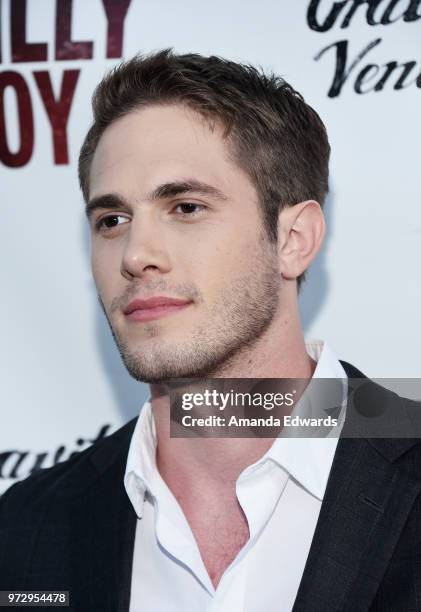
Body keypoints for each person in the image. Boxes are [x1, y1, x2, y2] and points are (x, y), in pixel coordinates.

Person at [1, 49, 420, 612]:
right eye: (112, 220)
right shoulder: (26, 530)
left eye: (187, 207)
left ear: (294, 239)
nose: (136, 254)